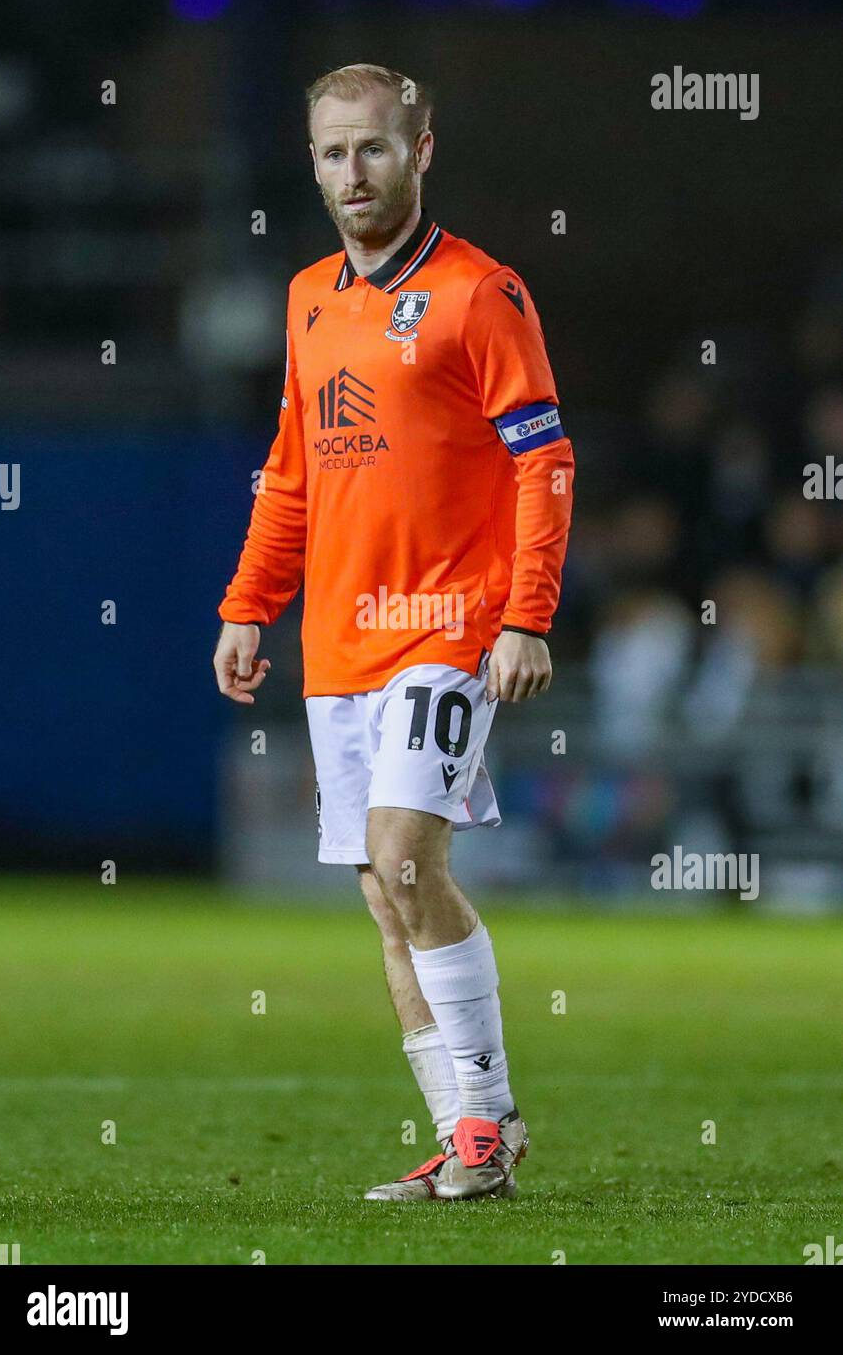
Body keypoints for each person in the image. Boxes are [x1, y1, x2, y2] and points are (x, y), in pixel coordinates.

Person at [213, 63, 574, 1201]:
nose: (350, 173)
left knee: (408, 857)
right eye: (330, 153)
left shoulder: (480, 294)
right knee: (383, 886)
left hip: (445, 625)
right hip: (341, 640)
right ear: (311, 163)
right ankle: (474, 1133)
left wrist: (523, 616)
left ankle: (483, 1128)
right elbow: (290, 473)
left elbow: (543, 460)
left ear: (420, 151)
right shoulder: (307, 295)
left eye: (372, 149)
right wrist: (244, 602)